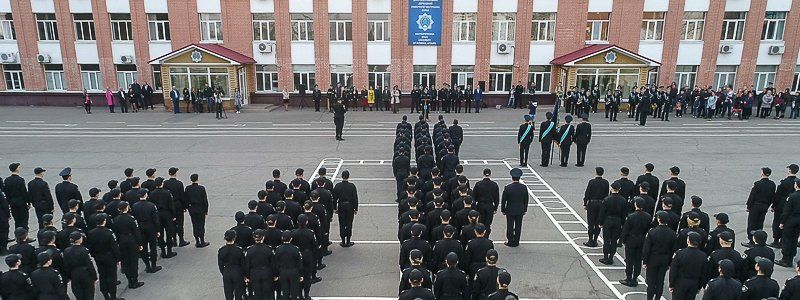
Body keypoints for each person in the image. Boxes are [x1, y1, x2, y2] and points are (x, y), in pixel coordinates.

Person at [86, 213, 123, 300]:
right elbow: (114, 247)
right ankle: (113, 296)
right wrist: (118, 258)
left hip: (98, 257)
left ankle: (105, 295)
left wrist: (94, 255)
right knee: (112, 276)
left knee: (102, 275)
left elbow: (90, 247)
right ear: (104, 221)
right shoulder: (108, 232)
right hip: (109, 257)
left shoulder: (91, 233)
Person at [643, 211, 677, 300]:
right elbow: (673, 250)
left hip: (653, 258)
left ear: (658, 219)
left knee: (651, 281)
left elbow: (647, 248)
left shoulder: (652, 232)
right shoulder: (672, 233)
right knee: (660, 281)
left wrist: (645, 261)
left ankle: (649, 298)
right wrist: (670, 263)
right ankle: (657, 298)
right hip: (665, 258)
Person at [619, 198, 652, 287]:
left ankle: (628, 278)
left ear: (635, 205)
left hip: (631, 239)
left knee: (629, 260)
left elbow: (625, 230)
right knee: (638, 260)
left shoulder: (631, 216)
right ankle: (635, 278)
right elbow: (648, 229)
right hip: (642, 240)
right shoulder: (648, 216)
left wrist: (624, 240)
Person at [113, 201, 145, 289]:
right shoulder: (131, 218)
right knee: (134, 261)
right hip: (131, 240)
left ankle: (129, 281)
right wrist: (140, 243)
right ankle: (135, 281)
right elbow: (136, 231)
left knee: (126, 261)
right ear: (127, 208)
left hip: (122, 240)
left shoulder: (115, 219)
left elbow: (115, 232)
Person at [131, 189, 162, 274]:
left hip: (140, 228)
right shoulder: (151, 205)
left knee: (143, 247)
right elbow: (156, 219)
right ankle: (154, 265)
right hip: (150, 227)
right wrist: (158, 230)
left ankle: (147, 266)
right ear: (146, 195)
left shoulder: (134, 206)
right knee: (153, 247)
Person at [669, 232, 707, 300]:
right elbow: (703, 273)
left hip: (680, 282)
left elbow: (673, 270)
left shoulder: (679, 253)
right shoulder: (703, 256)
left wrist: (671, 284)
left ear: (688, 241)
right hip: (694, 283)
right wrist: (699, 287)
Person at [745, 167, 776, 246]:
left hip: (756, 205)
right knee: (760, 223)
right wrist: (769, 205)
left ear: (762, 173)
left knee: (752, 223)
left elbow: (752, 196)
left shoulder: (758, 184)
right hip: (765, 205)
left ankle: (751, 240)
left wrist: (749, 206)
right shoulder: (772, 184)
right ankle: (759, 239)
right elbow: (772, 196)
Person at [63, 231, 98, 300]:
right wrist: (94, 277)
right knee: (89, 295)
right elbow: (89, 265)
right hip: (85, 274)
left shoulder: (66, 251)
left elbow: (66, 266)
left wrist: (69, 276)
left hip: (74, 275)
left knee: (79, 296)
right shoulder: (84, 250)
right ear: (79, 239)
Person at [598, 182, 626, 265]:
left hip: (608, 220)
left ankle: (605, 257)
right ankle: (611, 258)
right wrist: (622, 223)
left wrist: (601, 222)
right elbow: (624, 214)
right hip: (617, 221)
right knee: (614, 240)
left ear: (611, 188)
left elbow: (602, 212)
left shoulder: (607, 199)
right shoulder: (623, 200)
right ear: (619, 189)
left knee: (606, 240)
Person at [772, 164, 798, 249]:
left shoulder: (784, 182)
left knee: (777, 222)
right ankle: (783, 240)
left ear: (790, 170)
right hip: (793, 206)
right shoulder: (797, 181)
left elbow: (778, 195)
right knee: (786, 223)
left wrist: (773, 205)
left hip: (781, 205)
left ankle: (776, 240)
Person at [501, 168, 528, 247]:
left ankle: (510, 241)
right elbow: (526, 200)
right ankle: (516, 241)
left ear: (512, 177)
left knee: (510, 225)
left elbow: (504, 200)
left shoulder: (508, 187)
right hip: (520, 209)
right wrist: (525, 209)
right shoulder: (523, 187)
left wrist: (503, 209)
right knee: (518, 226)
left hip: (510, 209)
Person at [164, 167, 190, 247]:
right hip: (178, 204)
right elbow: (182, 196)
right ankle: (181, 240)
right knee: (180, 223)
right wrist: (185, 206)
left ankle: (174, 239)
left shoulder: (165, 183)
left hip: (169, 205)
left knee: (171, 223)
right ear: (175, 173)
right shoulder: (179, 183)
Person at [777, 178, 800, 267]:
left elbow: (786, 211)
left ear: (796, 185)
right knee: (794, 239)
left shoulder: (792, 196)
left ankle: (785, 259)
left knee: (787, 239)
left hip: (791, 220)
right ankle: (791, 256)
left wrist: (782, 222)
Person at [274, 230, 303, 300]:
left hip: (282, 272)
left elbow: (275, 263)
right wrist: (301, 274)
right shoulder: (295, 249)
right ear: (291, 239)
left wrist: (276, 274)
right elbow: (299, 262)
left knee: (285, 292)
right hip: (294, 272)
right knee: (294, 292)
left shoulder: (278, 249)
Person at [218, 230, 245, 300]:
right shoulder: (239, 250)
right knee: (238, 293)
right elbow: (243, 264)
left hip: (227, 271)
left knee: (228, 294)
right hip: (237, 272)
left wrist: (224, 272)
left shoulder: (222, 250)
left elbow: (220, 265)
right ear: (234, 238)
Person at [333, 170, 358, 247]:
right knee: (349, 223)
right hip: (350, 206)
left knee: (342, 223)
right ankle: (348, 240)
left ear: (342, 176)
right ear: (348, 176)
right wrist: (356, 208)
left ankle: (343, 241)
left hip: (341, 205)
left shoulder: (338, 186)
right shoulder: (352, 186)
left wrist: (335, 208)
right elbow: (355, 198)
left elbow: (334, 198)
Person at [185, 174, 210, 248]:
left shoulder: (188, 188)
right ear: (197, 179)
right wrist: (206, 210)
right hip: (200, 209)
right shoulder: (201, 188)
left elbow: (186, 199)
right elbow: (205, 200)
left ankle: (197, 241)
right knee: (201, 225)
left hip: (192, 209)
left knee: (194, 224)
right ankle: (202, 240)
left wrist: (188, 208)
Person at [5, 163, 30, 232]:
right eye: (18, 167)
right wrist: (28, 202)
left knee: (17, 220)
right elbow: (24, 192)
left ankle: (18, 234)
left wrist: (9, 202)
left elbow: (7, 193)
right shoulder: (20, 180)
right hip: (21, 202)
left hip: (12, 202)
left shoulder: (7, 180)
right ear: (16, 169)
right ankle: (24, 235)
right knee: (24, 220)